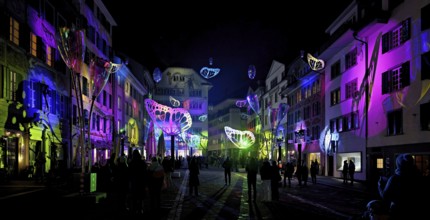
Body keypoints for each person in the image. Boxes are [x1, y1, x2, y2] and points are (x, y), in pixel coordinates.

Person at [377, 153, 426, 219]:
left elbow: (385, 196)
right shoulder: (419, 176)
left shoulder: (394, 179)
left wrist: (380, 186)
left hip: (397, 211)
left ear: (398, 165)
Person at [128, 149, 148, 215]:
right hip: (141, 182)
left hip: (134, 182)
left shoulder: (131, 163)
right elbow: (145, 173)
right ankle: (140, 209)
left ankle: (134, 209)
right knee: (141, 197)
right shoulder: (142, 163)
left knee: (134, 197)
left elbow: (129, 173)